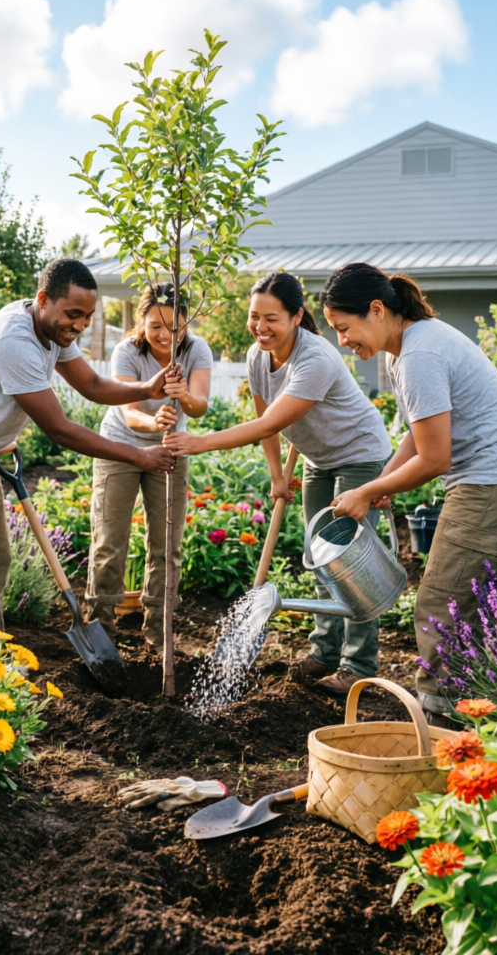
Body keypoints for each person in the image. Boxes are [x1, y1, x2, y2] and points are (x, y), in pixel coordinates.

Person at [0, 258, 179, 635]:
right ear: (43, 299)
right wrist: (139, 455)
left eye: (88, 317)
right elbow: (60, 430)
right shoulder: (14, 341)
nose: (79, 326)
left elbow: (92, 386)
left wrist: (145, 390)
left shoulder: (49, 330)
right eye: (73, 314)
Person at [320, 263, 497, 726]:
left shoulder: (420, 355)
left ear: (377, 310)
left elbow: (435, 458)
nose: (342, 341)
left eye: (344, 328)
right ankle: (484, 709)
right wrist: (386, 477)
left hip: (495, 479)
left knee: (440, 603)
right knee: (467, 599)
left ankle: (444, 724)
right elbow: (419, 433)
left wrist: (367, 489)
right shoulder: (402, 346)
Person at [164, 271, 392, 695]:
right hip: (316, 458)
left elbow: (268, 421)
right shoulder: (257, 356)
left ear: (296, 317)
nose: (260, 327)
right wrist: (275, 476)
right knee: (319, 557)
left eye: (272, 318)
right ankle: (325, 651)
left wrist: (199, 443)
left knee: (349, 563)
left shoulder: (316, 359)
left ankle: (358, 664)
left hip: (360, 455)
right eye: (254, 317)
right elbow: (266, 419)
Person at [85, 284, 213, 651]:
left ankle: (159, 633)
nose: (164, 334)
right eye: (155, 324)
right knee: (110, 542)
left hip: (171, 450)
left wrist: (183, 395)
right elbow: (128, 414)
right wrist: (153, 421)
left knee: (166, 545)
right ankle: (101, 633)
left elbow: (199, 405)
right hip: (121, 450)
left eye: (174, 326)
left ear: (187, 323)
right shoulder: (127, 351)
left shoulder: (196, 349)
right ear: (142, 320)